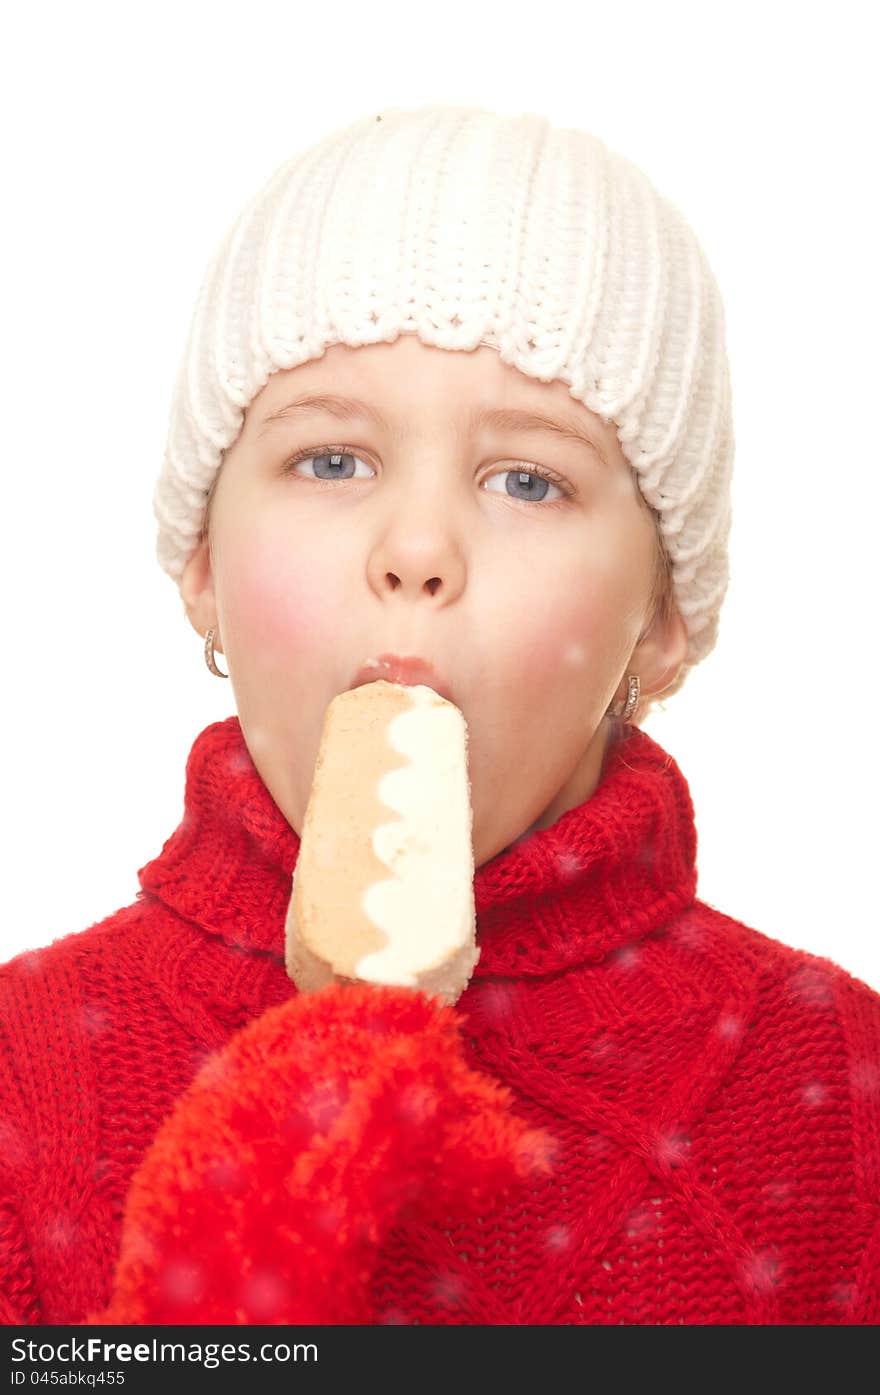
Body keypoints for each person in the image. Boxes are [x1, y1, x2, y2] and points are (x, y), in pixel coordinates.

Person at [2, 104, 877, 1328]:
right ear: (202, 564)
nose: (416, 550)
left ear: (664, 617)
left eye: (528, 479)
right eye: (332, 462)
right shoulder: (23, 1076)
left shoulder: (840, 1092)